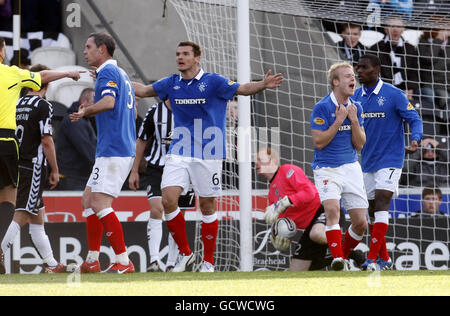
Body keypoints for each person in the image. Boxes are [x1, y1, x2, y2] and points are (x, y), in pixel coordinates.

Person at [132, 41, 283, 272]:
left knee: (207, 206)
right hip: (179, 151)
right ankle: (186, 253)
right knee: (168, 200)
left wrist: (263, 84)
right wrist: (115, 80)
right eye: (177, 53)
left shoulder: (214, 82)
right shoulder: (171, 83)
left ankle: (208, 263)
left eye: (185, 54)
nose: (179, 57)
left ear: (197, 57)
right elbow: (142, 90)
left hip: (209, 152)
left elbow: (242, 89)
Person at [0, 36, 83, 274]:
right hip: (33, 163)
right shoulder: (43, 106)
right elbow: (47, 141)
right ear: (43, 86)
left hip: (17, 160)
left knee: (37, 218)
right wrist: (55, 169)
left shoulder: (17, 104)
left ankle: (51, 264)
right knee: (24, 212)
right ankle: (1, 248)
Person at [70, 32, 136, 274]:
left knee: (99, 202)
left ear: (102, 50)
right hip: (115, 147)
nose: (84, 51)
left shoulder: (109, 72)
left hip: (115, 148)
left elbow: (108, 103)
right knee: (88, 200)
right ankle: (92, 259)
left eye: (88, 47)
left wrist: (85, 111)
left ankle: (123, 260)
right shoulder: (119, 73)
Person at [354, 53, 423, 270]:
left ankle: (372, 260)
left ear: (377, 70)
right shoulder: (355, 97)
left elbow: (415, 119)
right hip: (367, 161)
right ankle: (385, 258)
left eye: (364, 67)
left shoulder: (394, 95)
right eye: (358, 67)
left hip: (391, 158)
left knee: (383, 201)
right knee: (373, 210)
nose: (359, 71)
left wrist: (415, 140)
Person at [256, 147, 365, 271]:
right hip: (310, 227)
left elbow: (310, 193)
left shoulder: (287, 170)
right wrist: (281, 236)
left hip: (324, 209)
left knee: (316, 233)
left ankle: (351, 252)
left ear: (273, 161)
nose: (256, 163)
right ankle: (338, 257)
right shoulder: (271, 194)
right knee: (296, 271)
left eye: (260, 159)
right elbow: (287, 222)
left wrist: (287, 201)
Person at [310, 61, 368, 271]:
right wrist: (338, 121)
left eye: (353, 75)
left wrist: (352, 120)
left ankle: (340, 257)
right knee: (333, 210)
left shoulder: (357, 107)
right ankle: (337, 259)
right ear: (335, 82)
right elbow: (319, 142)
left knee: (361, 223)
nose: (353, 79)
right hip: (327, 168)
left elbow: (360, 144)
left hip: (351, 167)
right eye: (347, 76)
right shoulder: (322, 107)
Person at [128, 99, 196, 272]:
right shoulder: (154, 111)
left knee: (177, 215)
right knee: (157, 208)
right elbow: (142, 140)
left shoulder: (192, 109)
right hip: (157, 169)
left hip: (183, 169)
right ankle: (155, 260)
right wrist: (134, 170)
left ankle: (173, 262)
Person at [368, 15, 419, 101]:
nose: (395, 29)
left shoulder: (410, 49)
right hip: (385, 90)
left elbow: (414, 72)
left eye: (398, 26)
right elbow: (375, 74)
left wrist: (410, 89)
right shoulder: (375, 49)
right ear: (386, 29)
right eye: (392, 26)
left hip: (407, 90)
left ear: (402, 29)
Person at [56, 88, 96, 191]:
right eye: (94, 102)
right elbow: (86, 148)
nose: (97, 106)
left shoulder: (82, 120)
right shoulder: (74, 120)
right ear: (84, 102)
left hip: (76, 177)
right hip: (73, 178)